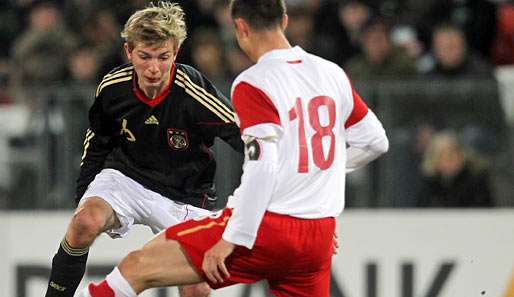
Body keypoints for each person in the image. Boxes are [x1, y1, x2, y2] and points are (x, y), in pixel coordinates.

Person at [77, 0, 389, 296]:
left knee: (136, 267)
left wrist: (233, 238)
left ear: (239, 27)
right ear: (284, 20)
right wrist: (311, 185)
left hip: (266, 228)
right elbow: (375, 141)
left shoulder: (254, 82)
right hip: (319, 232)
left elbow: (262, 166)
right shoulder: (330, 72)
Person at [45, 2, 243, 297]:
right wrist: (84, 194)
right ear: (129, 52)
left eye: (163, 57)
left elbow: (247, 138)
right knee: (84, 223)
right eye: (144, 56)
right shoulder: (113, 87)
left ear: (176, 52)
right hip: (126, 177)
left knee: (196, 290)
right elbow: (98, 141)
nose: (153, 68)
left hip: (184, 194)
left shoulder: (194, 92)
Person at [417, 131, 493, 207]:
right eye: (440, 156)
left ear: (462, 155)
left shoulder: (478, 181)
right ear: (433, 161)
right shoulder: (428, 185)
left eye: (451, 155)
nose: (446, 160)